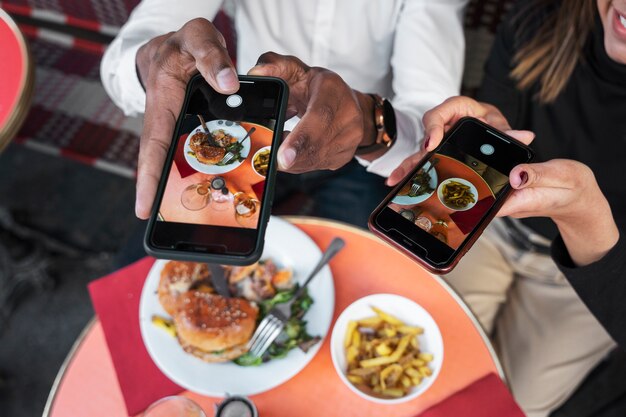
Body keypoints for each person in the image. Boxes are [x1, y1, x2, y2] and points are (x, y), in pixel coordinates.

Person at [388, 1, 626, 416]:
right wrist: (493, 122)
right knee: (414, 357)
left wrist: (585, 216)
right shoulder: (543, 16)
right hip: (491, 230)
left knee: (506, 406)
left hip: (595, 280)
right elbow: (502, 125)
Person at [100, 0, 467, 228]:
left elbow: (432, 120)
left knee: (363, 290)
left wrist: (371, 123)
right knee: (162, 270)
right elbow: (121, 61)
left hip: (364, 152)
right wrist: (152, 59)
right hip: (245, 131)